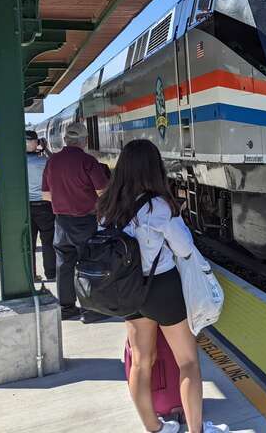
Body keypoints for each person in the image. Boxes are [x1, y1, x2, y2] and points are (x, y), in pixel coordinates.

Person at [96, 139, 228, 433]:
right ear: (154, 169)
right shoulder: (158, 206)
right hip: (162, 289)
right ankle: (197, 430)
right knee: (188, 363)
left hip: (128, 290)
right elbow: (183, 249)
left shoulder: (108, 206)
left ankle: (154, 428)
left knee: (141, 362)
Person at [42, 122, 110, 323]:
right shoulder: (88, 161)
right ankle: (91, 309)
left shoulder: (52, 161)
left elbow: (46, 195)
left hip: (61, 222)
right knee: (90, 263)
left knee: (64, 265)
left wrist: (65, 200)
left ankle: (66, 308)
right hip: (86, 221)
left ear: (65, 140)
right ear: (85, 140)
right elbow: (103, 192)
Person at [26, 130, 56, 281]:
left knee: (29, 244)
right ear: (36, 143)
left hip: (25, 207)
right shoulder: (44, 161)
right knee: (48, 242)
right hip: (45, 206)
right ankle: (51, 274)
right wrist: (45, 149)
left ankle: (31, 275)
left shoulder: (17, 162)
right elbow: (57, 163)